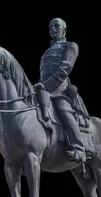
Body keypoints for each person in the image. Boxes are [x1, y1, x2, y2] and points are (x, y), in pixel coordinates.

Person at [34, 18, 90, 169]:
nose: (53, 28)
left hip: (60, 88)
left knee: (63, 110)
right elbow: (44, 73)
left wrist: (46, 85)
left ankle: (79, 148)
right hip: (44, 88)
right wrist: (38, 87)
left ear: (64, 29)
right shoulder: (47, 51)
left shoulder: (71, 46)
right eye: (50, 26)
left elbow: (65, 68)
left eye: (56, 26)